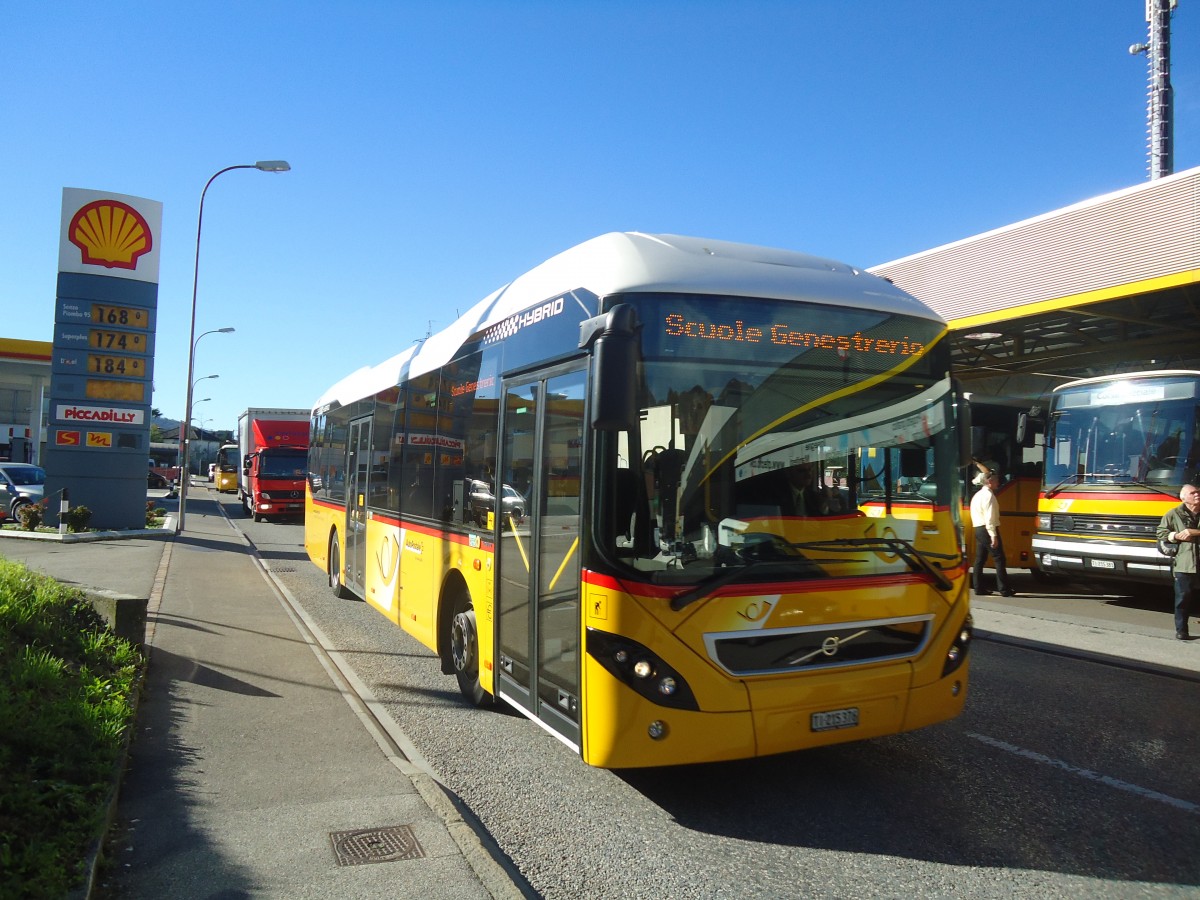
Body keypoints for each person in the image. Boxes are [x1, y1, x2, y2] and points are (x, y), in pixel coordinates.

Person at [1156, 483, 1200, 640]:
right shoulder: (1173, 513)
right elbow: (1161, 532)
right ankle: (1182, 631)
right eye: (1193, 493)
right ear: (1184, 498)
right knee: (1183, 598)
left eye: (1198, 492)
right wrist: (1174, 536)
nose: (1197, 495)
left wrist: (1193, 532)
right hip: (1184, 563)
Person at [970, 461, 1014, 597]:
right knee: (999, 558)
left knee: (980, 559)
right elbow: (989, 518)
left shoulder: (977, 495)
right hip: (987, 529)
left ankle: (978, 588)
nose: (998, 483)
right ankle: (1004, 589)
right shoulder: (989, 496)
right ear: (989, 482)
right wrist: (993, 535)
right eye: (996, 481)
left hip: (978, 529)